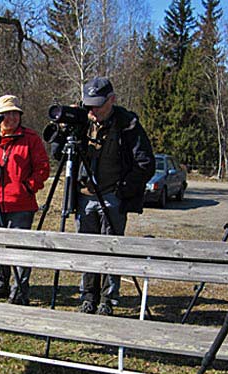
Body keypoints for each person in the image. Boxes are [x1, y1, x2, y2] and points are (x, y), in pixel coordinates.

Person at [76, 76, 154, 316]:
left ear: (112, 100)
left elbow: (145, 163)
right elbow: (61, 155)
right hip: (84, 196)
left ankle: (108, 299)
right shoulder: (81, 121)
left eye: (98, 105)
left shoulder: (127, 123)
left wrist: (124, 190)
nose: (93, 110)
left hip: (112, 196)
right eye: (89, 105)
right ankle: (88, 296)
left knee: (112, 249)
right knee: (87, 249)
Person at [0, 94, 50, 305]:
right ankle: (0, 284)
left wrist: (27, 187)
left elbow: (43, 168)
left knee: (20, 249)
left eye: (15, 113)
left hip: (21, 204)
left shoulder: (30, 138)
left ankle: (20, 289)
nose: (12, 118)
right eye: (7, 114)